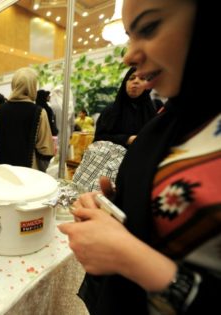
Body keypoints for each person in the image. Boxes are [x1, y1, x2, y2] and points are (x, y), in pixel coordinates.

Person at [59, 1, 221, 314]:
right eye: (130, 36)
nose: (129, 57)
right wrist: (118, 207)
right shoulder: (169, 119)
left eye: (148, 28)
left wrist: (128, 255)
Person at [0, 67, 54, 171]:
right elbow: (45, 150)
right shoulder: (39, 112)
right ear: (32, 86)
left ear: (14, 84)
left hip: (3, 172)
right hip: (29, 174)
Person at [94, 67, 156, 148]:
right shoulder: (111, 110)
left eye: (142, 78)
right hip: (114, 158)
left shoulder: (151, 111)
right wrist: (127, 139)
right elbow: (99, 137)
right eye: (131, 78)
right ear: (125, 83)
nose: (136, 81)